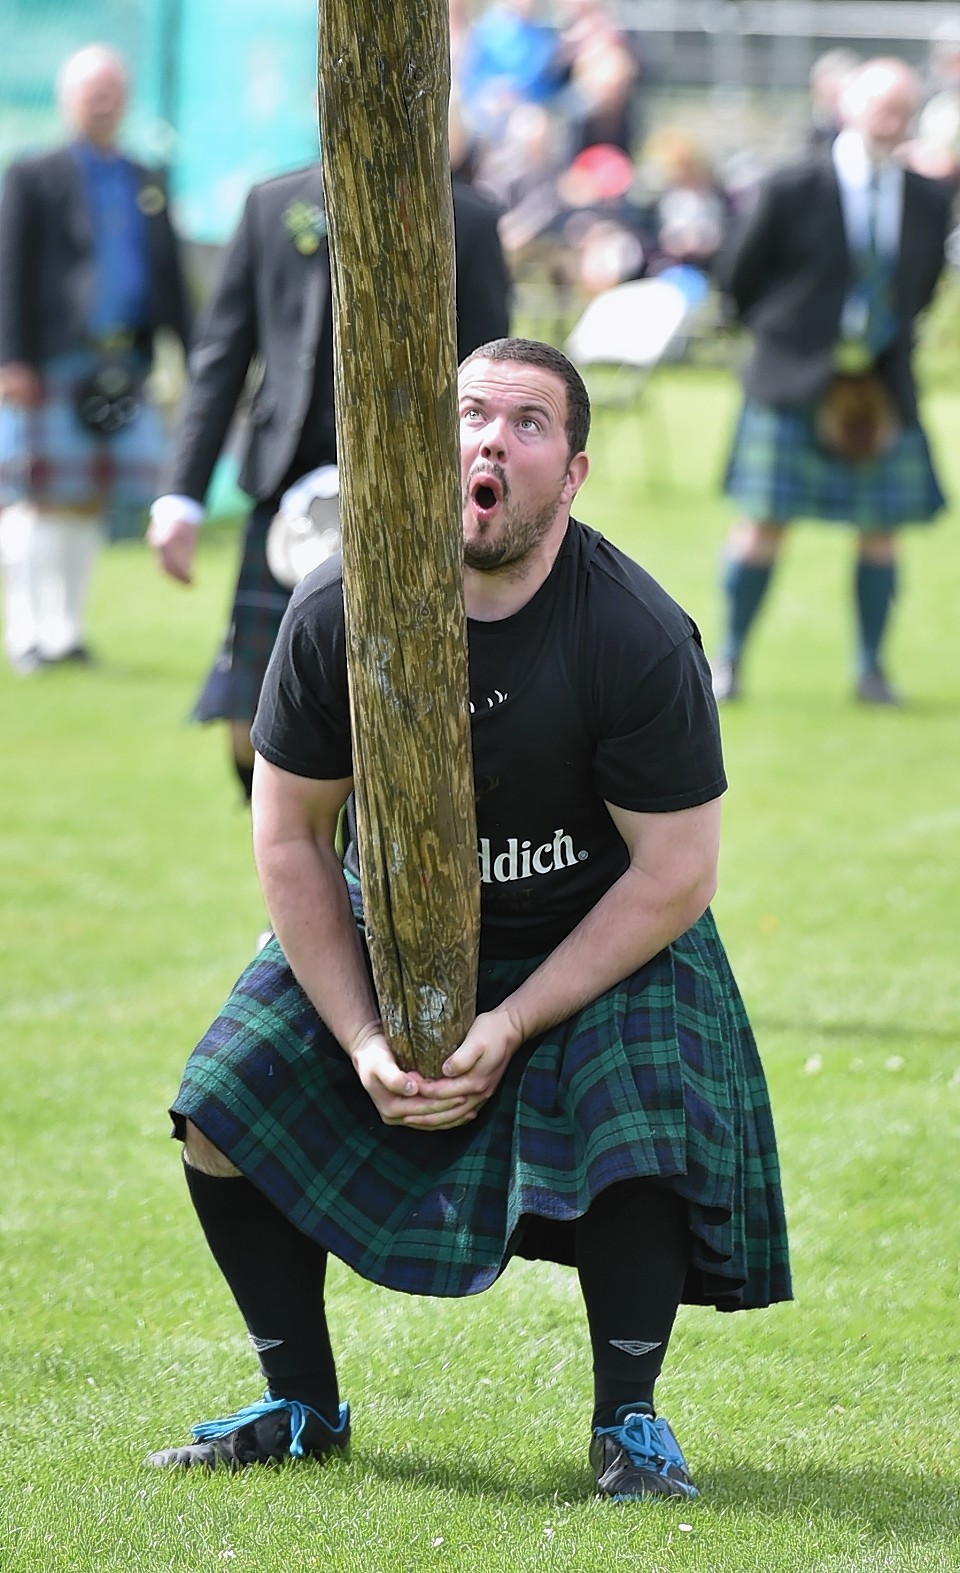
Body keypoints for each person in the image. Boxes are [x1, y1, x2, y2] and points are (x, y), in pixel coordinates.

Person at [144, 337, 791, 1496]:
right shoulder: (340, 605)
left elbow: (677, 872)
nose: (490, 439)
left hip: (591, 931)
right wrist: (357, 1036)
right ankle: (299, 1404)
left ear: (575, 472)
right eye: (470, 414)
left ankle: (629, 1425)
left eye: (528, 422)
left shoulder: (634, 633)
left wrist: (515, 1021)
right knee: (219, 1108)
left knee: (638, 1123)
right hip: (382, 925)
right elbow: (288, 834)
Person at [148, 162, 511, 805]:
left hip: (408, 498)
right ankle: (288, 872)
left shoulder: (469, 220)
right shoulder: (272, 203)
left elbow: (488, 376)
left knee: (376, 716)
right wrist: (182, 496)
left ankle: (345, 877)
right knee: (249, 726)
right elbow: (221, 356)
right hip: (283, 489)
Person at [712, 57, 951, 706]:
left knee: (882, 531)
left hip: (878, 383)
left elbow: (920, 288)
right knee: (763, 521)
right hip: (793, 378)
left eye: (902, 108)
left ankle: (871, 671)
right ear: (848, 106)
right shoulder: (794, 185)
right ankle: (726, 662)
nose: (890, 119)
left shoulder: (930, 199)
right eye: (879, 105)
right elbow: (738, 271)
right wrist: (785, 335)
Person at [0, 44, 190, 674]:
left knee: (86, 501)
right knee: (35, 496)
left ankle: (67, 633)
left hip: (121, 364)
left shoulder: (146, 178)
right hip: (51, 360)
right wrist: (12, 359)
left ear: (125, 99)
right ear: (68, 100)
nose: (101, 101)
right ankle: (27, 636)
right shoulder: (32, 175)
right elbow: (10, 270)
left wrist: (194, 355)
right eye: (90, 90)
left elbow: (168, 274)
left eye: (111, 90)